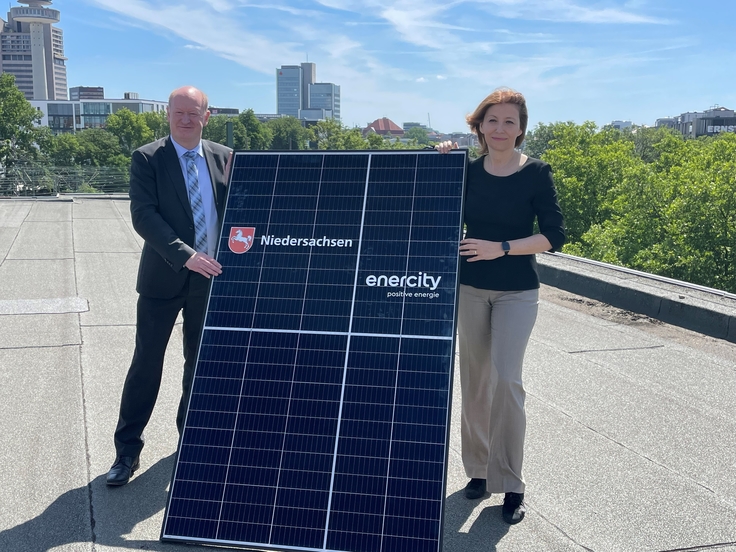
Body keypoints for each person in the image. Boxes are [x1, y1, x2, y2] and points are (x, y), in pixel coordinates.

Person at [438, 88, 565, 524]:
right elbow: (430, 205)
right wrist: (440, 159)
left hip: (517, 291)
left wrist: (502, 248)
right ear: (479, 126)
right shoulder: (466, 172)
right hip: (470, 288)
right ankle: (478, 471)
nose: (500, 129)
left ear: (521, 129)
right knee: (475, 384)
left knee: (507, 382)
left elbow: (553, 236)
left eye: (509, 121)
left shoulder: (537, 173)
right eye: (492, 120)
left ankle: (510, 482)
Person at [106, 86, 232, 486]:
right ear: (168, 115)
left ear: (206, 117)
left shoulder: (225, 158)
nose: (185, 119)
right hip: (164, 277)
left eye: (193, 113)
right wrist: (185, 255)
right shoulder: (147, 158)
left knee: (199, 367)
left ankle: (189, 442)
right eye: (179, 112)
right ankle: (126, 452)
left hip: (210, 279)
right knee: (147, 365)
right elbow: (144, 216)